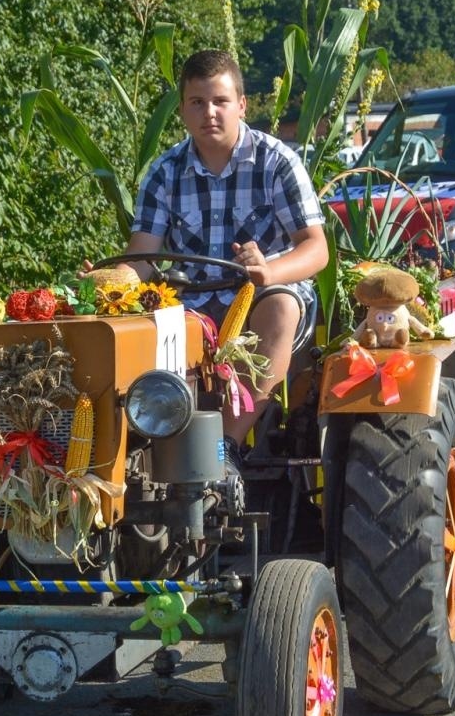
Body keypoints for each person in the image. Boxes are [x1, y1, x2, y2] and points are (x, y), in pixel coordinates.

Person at [106, 48, 329, 444]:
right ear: (183, 111)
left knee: (280, 304)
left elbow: (316, 250)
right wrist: (106, 282)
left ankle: (225, 448)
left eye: (220, 101)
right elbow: (142, 258)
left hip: (261, 298)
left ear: (241, 106)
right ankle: (153, 440)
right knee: (130, 324)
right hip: (192, 304)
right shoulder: (165, 172)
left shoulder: (277, 162)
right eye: (197, 102)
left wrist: (270, 270)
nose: (209, 112)